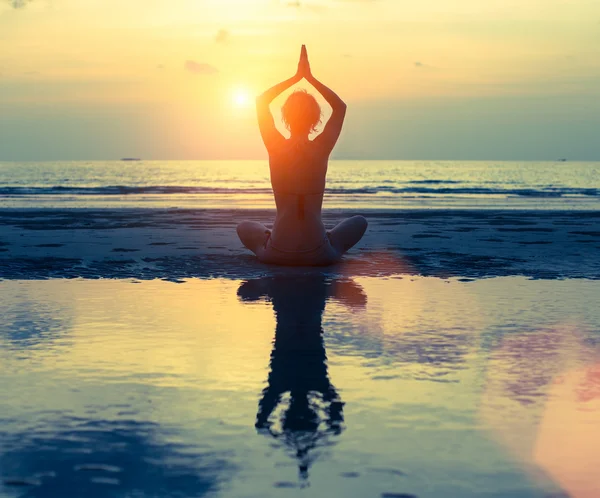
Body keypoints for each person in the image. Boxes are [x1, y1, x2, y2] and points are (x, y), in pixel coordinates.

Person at [236, 45, 367, 266]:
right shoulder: (321, 147)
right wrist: (309, 78)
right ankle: (327, 239)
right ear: (316, 120)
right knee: (359, 222)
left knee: (243, 227)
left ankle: (269, 240)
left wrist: (295, 78)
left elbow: (261, 102)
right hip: (317, 253)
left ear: (285, 118)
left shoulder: (275, 146)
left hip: (278, 252)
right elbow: (340, 107)